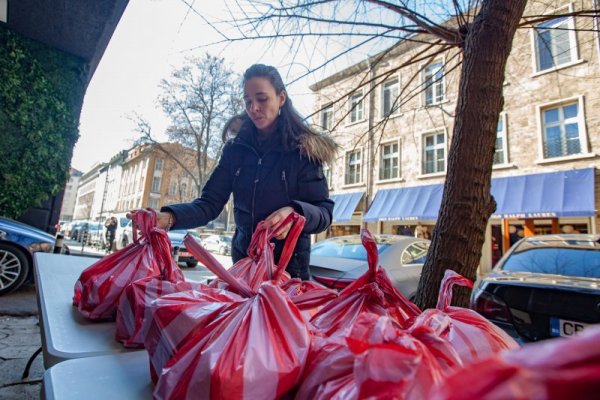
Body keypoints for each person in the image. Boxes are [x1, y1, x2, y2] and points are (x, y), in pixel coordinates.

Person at [148, 64, 338, 280]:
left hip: (288, 275)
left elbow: (324, 212)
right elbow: (210, 204)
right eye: (248, 101)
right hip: (242, 270)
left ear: (281, 98)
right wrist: (169, 217)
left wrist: (295, 213)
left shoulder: (303, 151)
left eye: (262, 99)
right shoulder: (235, 150)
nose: (254, 107)